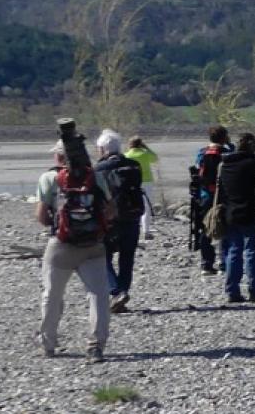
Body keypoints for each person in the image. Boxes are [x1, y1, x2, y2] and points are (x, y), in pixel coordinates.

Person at [36, 131, 114, 361]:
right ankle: (96, 345)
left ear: (60, 157)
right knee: (98, 295)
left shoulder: (48, 178)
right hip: (93, 246)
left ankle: (48, 344)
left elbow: (41, 216)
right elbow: (110, 210)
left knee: (52, 294)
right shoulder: (96, 177)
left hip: (61, 246)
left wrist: (60, 225)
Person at [95, 130, 146, 315]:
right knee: (127, 258)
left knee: (103, 257)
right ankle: (123, 292)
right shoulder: (134, 165)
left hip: (110, 220)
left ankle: (116, 291)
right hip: (132, 216)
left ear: (102, 149)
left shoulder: (99, 169)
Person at [218, 132, 255, 304]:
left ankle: (232, 291)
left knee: (234, 251)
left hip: (230, 213)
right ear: (251, 146)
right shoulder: (253, 164)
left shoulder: (224, 165)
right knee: (252, 252)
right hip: (249, 212)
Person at [190, 126, 233, 274]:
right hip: (224, 195)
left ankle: (206, 263)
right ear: (224, 137)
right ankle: (225, 262)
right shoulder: (227, 153)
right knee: (226, 227)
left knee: (205, 228)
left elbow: (196, 171)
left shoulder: (202, 152)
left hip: (205, 195)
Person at [123, 137, 157, 240]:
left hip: (132, 183)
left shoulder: (126, 155)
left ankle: (134, 229)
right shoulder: (145, 154)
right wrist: (146, 148)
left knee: (133, 205)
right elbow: (155, 158)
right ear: (140, 144)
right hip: (146, 181)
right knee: (146, 207)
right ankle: (146, 231)